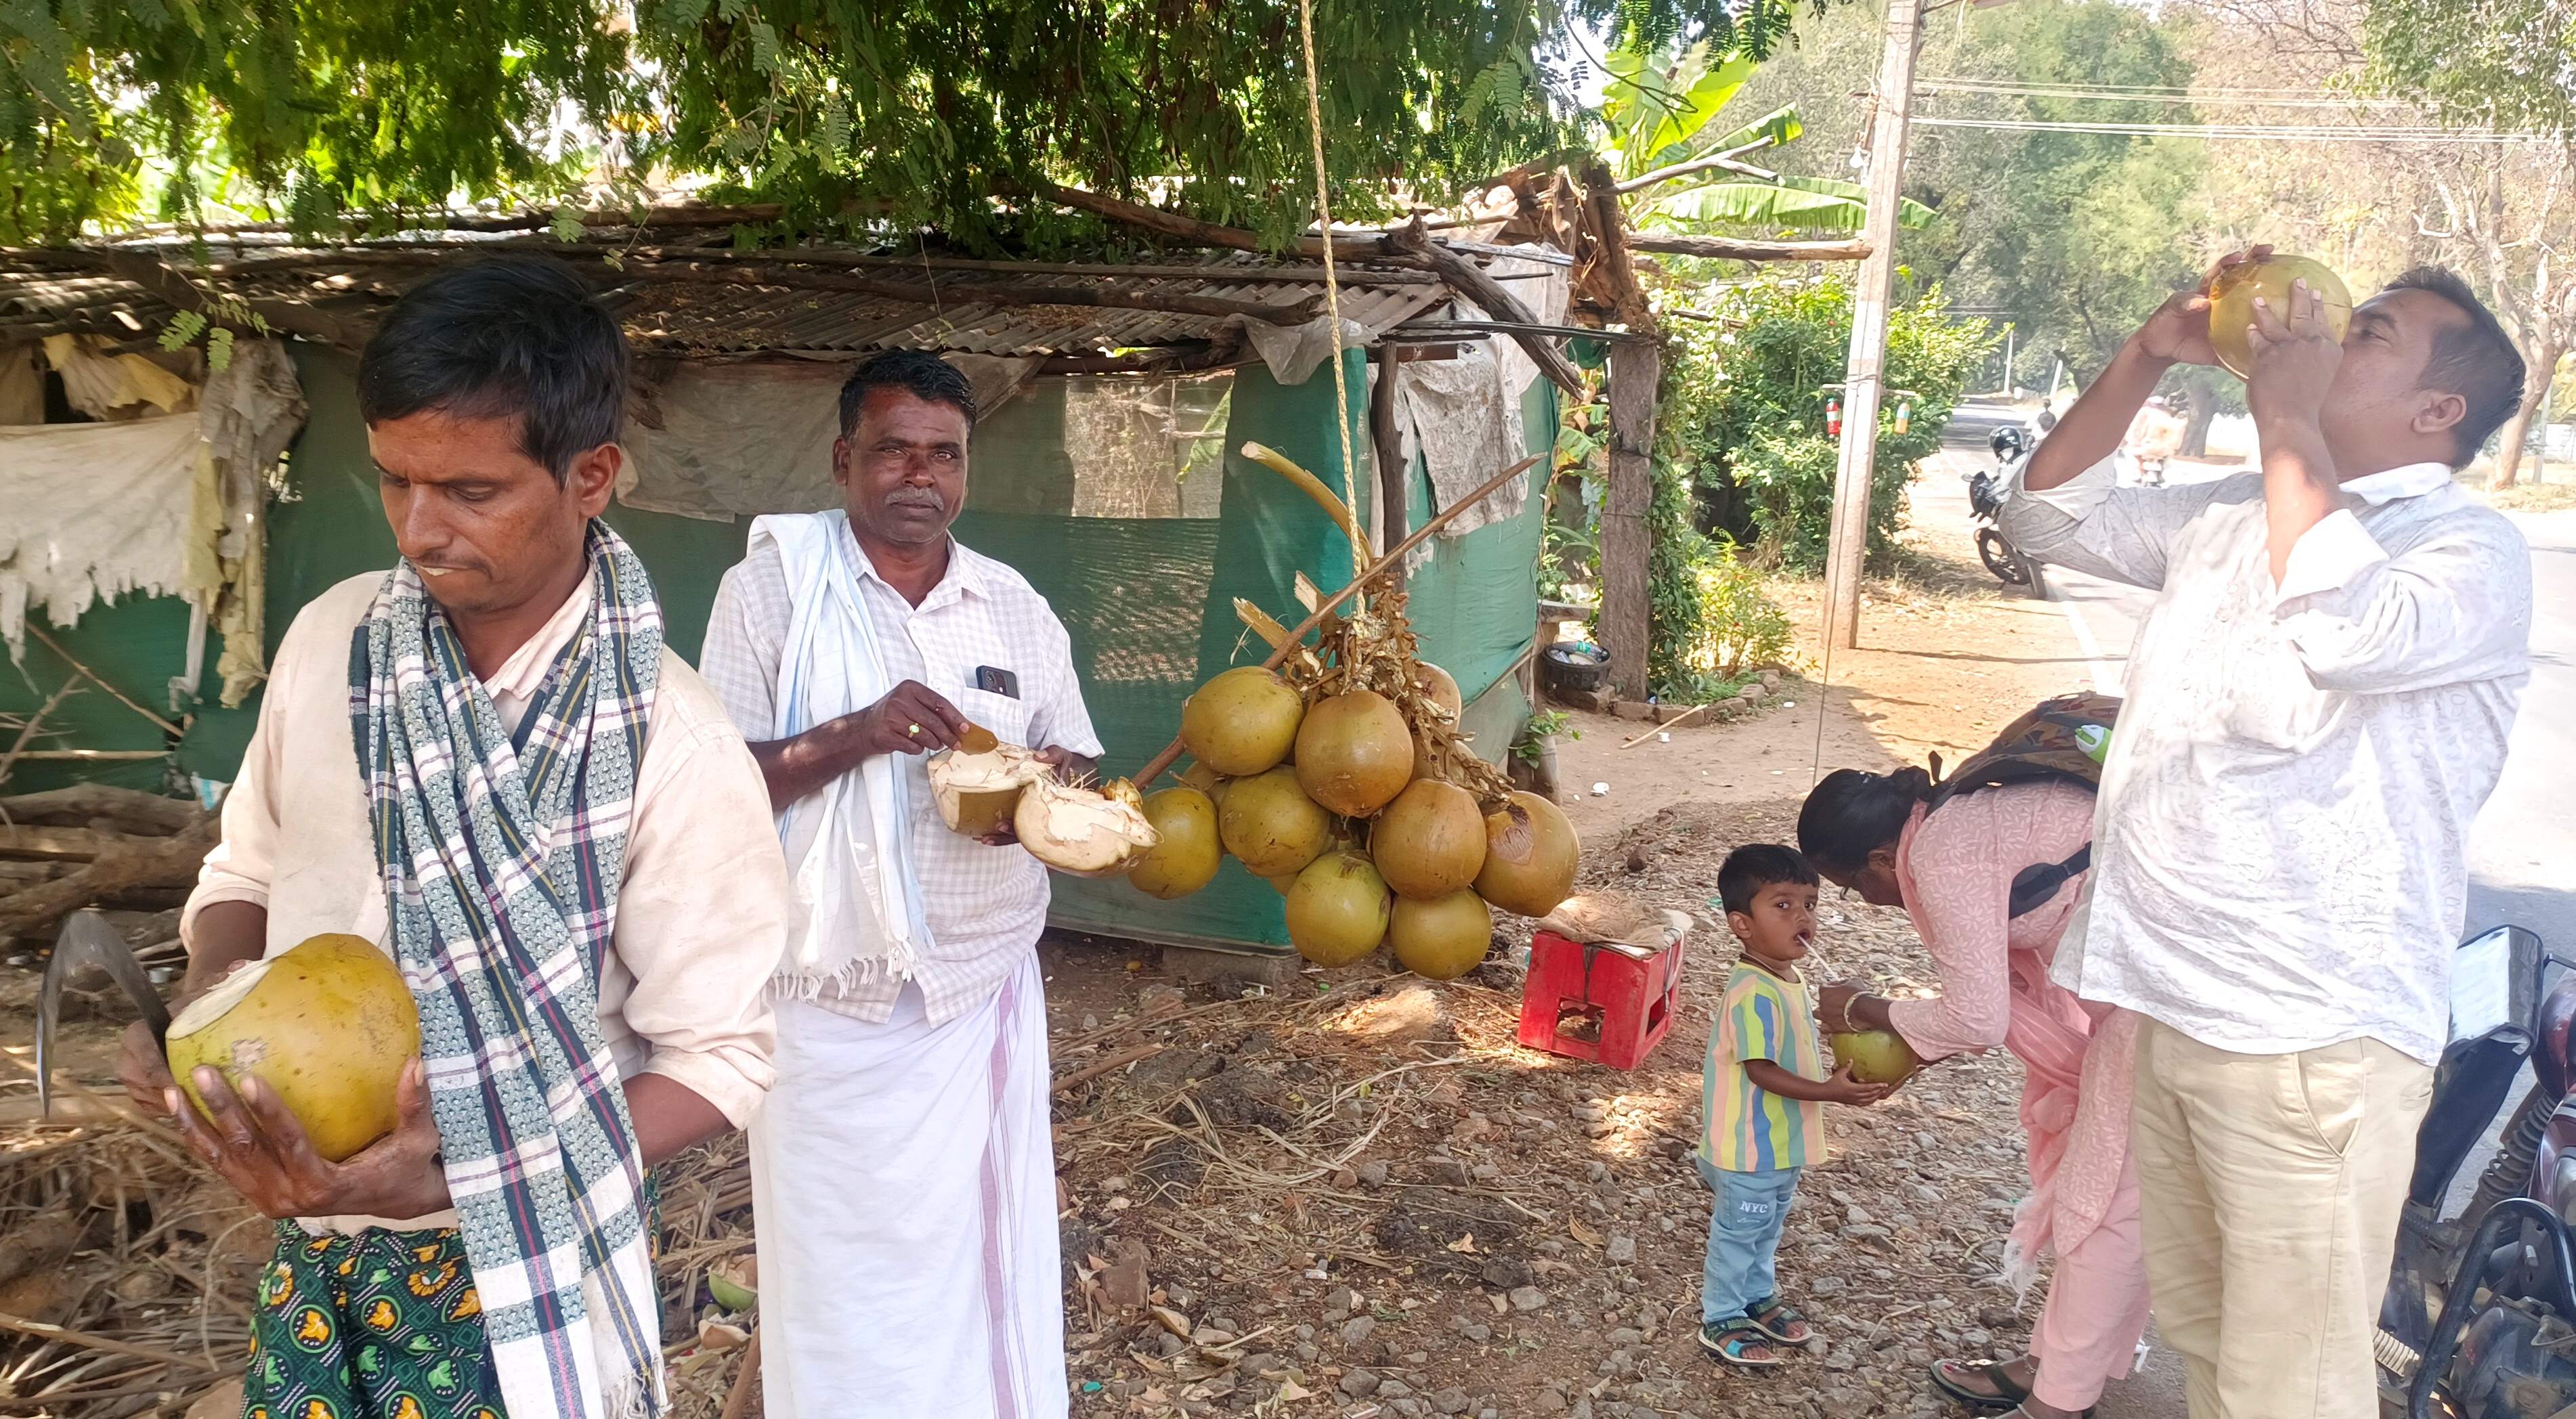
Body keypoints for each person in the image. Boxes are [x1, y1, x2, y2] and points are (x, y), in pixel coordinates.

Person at [119, 258, 790, 1419]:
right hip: (315, 1247)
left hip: (528, 1262)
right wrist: (208, 1008)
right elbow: (249, 869)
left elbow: (719, 1059)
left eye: (471, 491)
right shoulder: (332, 644)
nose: (420, 530)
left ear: (591, 477)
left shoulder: (671, 743)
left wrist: (462, 1168)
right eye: (392, 483)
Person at [1998, 255, 2533, 1418]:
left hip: (2311, 1039)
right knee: (2209, 1343)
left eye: (2370, 333)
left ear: (2434, 411)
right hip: (2173, 1005)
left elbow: (2344, 629)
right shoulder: (2236, 511)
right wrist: (2145, 352)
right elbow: (2042, 512)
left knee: (2289, 1385)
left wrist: (2284, 413)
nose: (2329, 330)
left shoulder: (2461, 551)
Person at [698, 347, 1102, 1419]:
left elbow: (1074, 758)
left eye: (944, 455)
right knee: (836, 1272)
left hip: (977, 992)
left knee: (977, 1260)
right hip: (826, 1003)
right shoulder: (774, 588)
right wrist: (854, 734)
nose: (919, 476)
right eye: (894, 451)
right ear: (844, 460)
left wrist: (1039, 797)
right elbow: (714, 786)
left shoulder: (1012, 608)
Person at [1800, 769, 2145, 1419]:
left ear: (1879, 859)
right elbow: (1979, 1006)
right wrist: (1911, 1052)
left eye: (1853, 887)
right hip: (2138, 985)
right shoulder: (1951, 820)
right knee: (2102, 1190)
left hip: (2156, 998)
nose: (1867, 900)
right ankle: (2055, 1367)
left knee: (2105, 1207)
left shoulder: (1937, 850)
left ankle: (2059, 1403)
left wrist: (1864, 1009)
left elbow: (1978, 1018)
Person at [1696, 845, 1891, 1368]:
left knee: (1765, 1228)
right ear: (1741, 924)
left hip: (1779, 1146)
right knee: (1739, 1232)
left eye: (1810, 903)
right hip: (1749, 1148)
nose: (1802, 917)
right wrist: (1832, 1091)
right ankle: (1721, 1314)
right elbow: (1761, 1070)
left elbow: (1790, 1045)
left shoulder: (1787, 977)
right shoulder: (1752, 992)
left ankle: (1757, 1297)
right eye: (1782, 905)